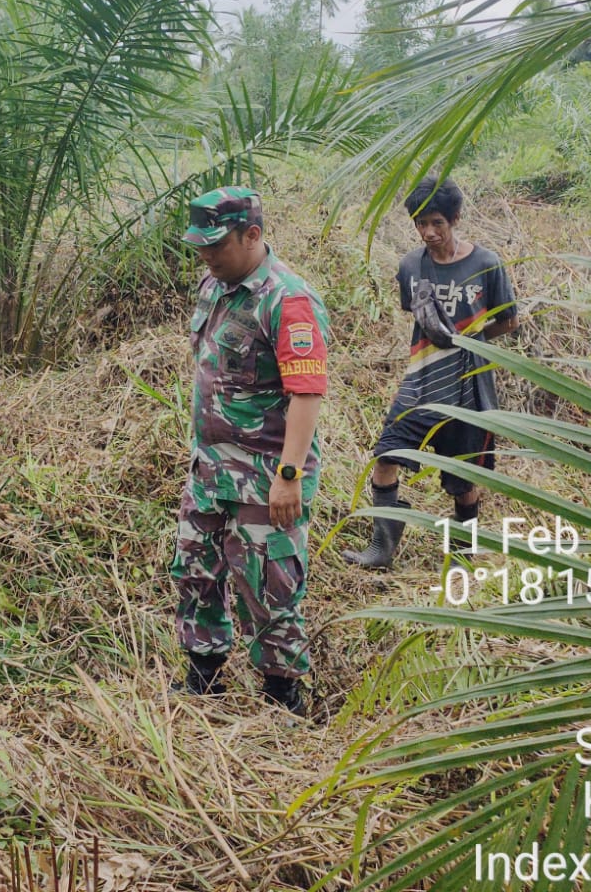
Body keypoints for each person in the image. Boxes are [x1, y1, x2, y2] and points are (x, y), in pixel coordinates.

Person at [172, 187, 330, 717]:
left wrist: (288, 474)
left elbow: (306, 392)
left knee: (269, 582)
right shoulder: (214, 287)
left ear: (253, 235)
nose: (206, 256)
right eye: (201, 246)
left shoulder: (288, 300)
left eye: (217, 245)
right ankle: (202, 675)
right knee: (196, 570)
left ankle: (283, 693)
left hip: (264, 473)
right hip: (210, 468)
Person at [345, 175, 518, 570]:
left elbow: (508, 321)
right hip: (421, 383)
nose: (429, 232)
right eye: (421, 224)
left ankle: (462, 554)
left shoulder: (486, 264)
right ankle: (382, 548)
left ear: (455, 219)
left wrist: (470, 340)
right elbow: (415, 314)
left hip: (470, 389)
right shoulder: (411, 266)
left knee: (464, 480)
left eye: (437, 223)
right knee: (386, 455)